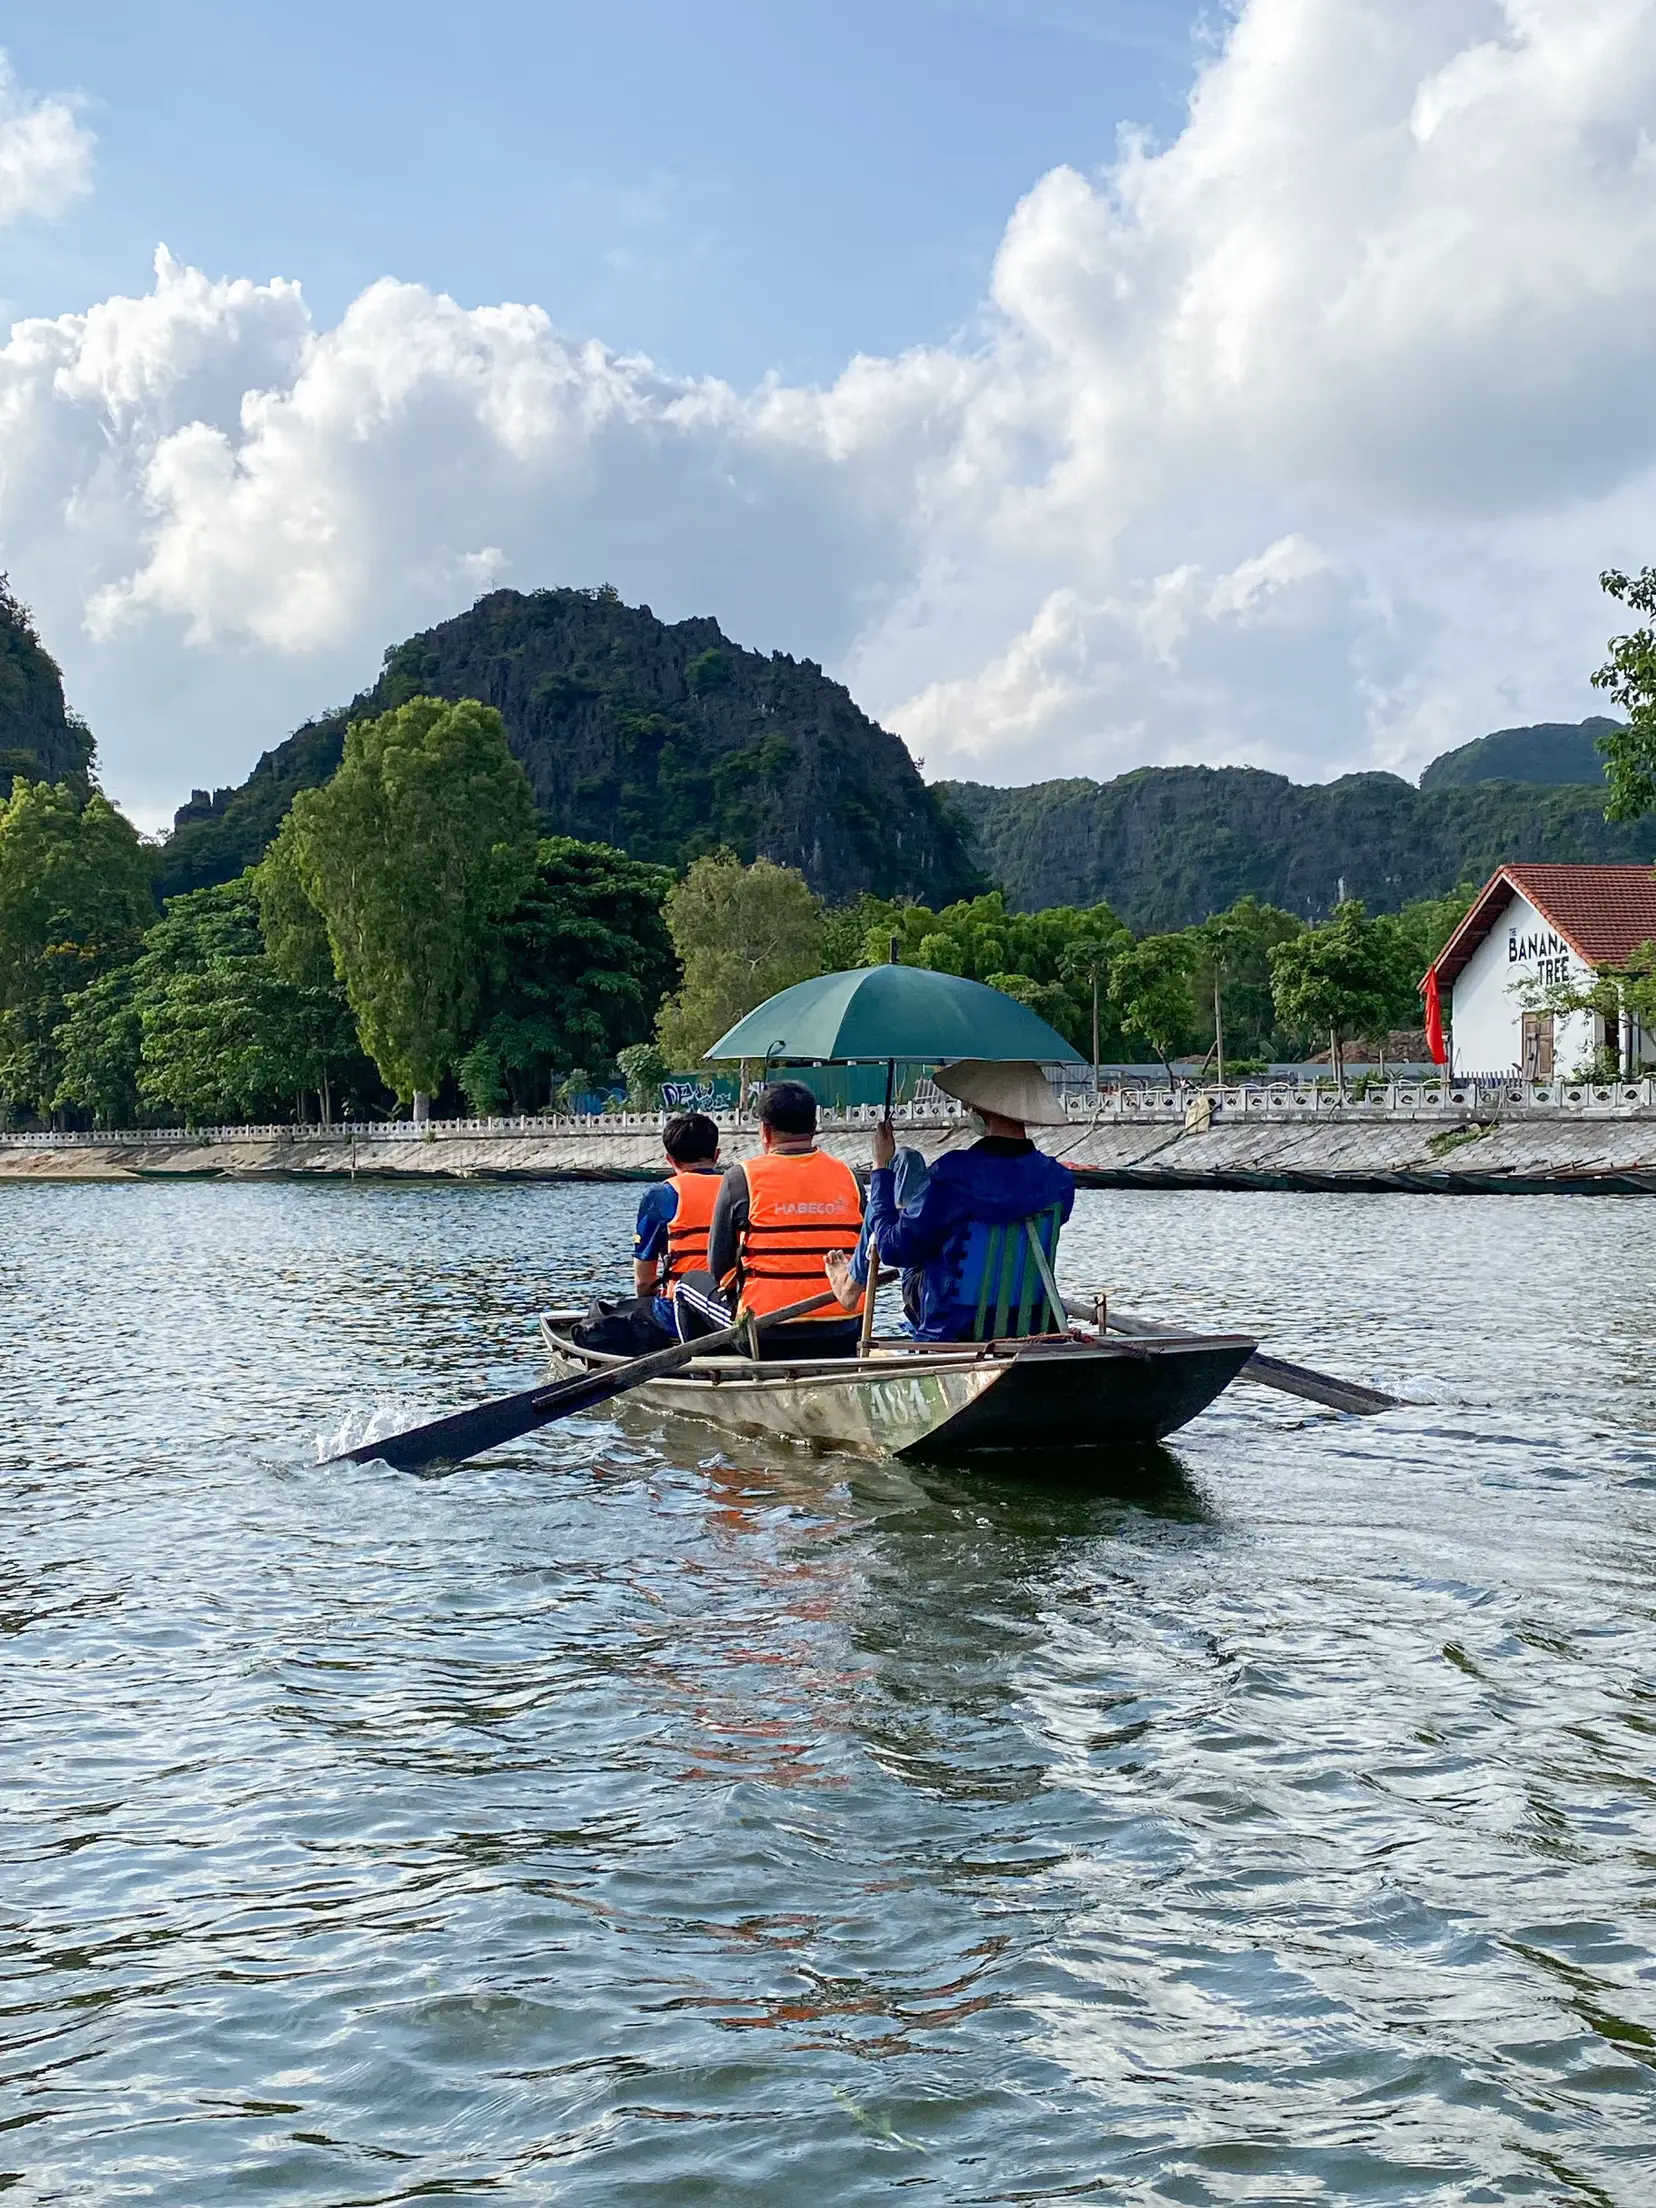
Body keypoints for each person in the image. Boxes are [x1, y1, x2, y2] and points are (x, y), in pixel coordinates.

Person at [827, 1058, 1074, 1343]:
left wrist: (880, 1169)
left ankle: (850, 1283)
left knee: (903, 1172)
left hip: (951, 1324)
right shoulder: (1059, 1180)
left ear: (983, 1112)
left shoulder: (952, 1175)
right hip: (1028, 1319)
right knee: (914, 1176)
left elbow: (893, 1250)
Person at [674, 1079, 866, 1359]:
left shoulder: (741, 1177)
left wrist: (739, 1295)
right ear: (814, 1128)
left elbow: (719, 1265)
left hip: (766, 1335)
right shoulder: (850, 1177)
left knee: (686, 1284)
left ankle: (704, 1377)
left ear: (764, 1130)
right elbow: (867, 1251)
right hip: (844, 1331)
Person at [632, 1110, 725, 1332]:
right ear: (717, 1154)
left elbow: (643, 1281)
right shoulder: (741, 1188)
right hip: (734, 1307)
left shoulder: (661, 1195)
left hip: (679, 1314)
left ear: (669, 1159)